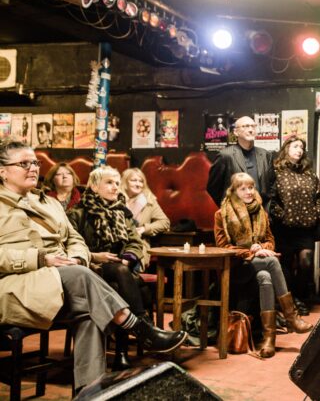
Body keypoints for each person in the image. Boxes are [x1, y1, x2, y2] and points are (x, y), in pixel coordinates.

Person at [0, 140, 186, 391]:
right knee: (82, 275)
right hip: (15, 286)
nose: (33, 167)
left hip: (60, 285)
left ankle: (89, 393)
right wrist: (41, 259)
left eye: (35, 162)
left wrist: (78, 256)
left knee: (90, 313)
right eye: (24, 163)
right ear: (2, 171)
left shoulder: (49, 203)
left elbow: (75, 239)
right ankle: (140, 329)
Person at [213, 172, 312, 358]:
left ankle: (269, 340)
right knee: (273, 261)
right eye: (243, 189)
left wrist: (262, 247)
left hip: (258, 264)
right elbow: (223, 247)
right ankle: (291, 317)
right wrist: (252, 251)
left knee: (265, 277)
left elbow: (270, 241)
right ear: (234, 191)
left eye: (251, 187)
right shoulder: (222, 214)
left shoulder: (261, 212)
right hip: (236, 267)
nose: (249, 192)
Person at [68, 166, 153, 371]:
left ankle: (123, 351)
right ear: (94, 187)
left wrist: (127, 259)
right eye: (109, 182)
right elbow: (70, 245)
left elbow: (135, 242)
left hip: (120, 269)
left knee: (120, 282)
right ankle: (142, 329)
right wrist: (96, 256)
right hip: (91, 268)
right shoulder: (78, 213)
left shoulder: (122, 212)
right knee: (124, 278)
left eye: (117, 183)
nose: (115, 187)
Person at [269, 136, 320, 313]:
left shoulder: (309, 174)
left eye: (301, 147)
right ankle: (289, 301)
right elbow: (270, 197)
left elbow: (319, 196)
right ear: (286, 149)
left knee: (305, 263)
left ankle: (300, 297)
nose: (299, 150)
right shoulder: (276, 172)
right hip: (284, 228)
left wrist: (316, 213)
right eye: (295, 146)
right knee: (284, 264)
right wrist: (280, 214)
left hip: (306, 229)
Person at [207, 116, 275, 206]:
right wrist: (228, 207)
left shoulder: (265, 155)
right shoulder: (225, 156)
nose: (250, 129)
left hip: (261, 212)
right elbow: (213, 187)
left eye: (253, 126)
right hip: (235, 215)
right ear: (236, 132)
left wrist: (268, 209)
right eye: (246, 126)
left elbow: (272, 185)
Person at [121, 167, 171, 247]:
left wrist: (145, 229)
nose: (138, 184)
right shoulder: (115, 199)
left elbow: (164, 222)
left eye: (141, 181)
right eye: (134, 180)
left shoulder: (149, 200)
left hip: (138, 244)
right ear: (125, 182)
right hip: (117, 243)